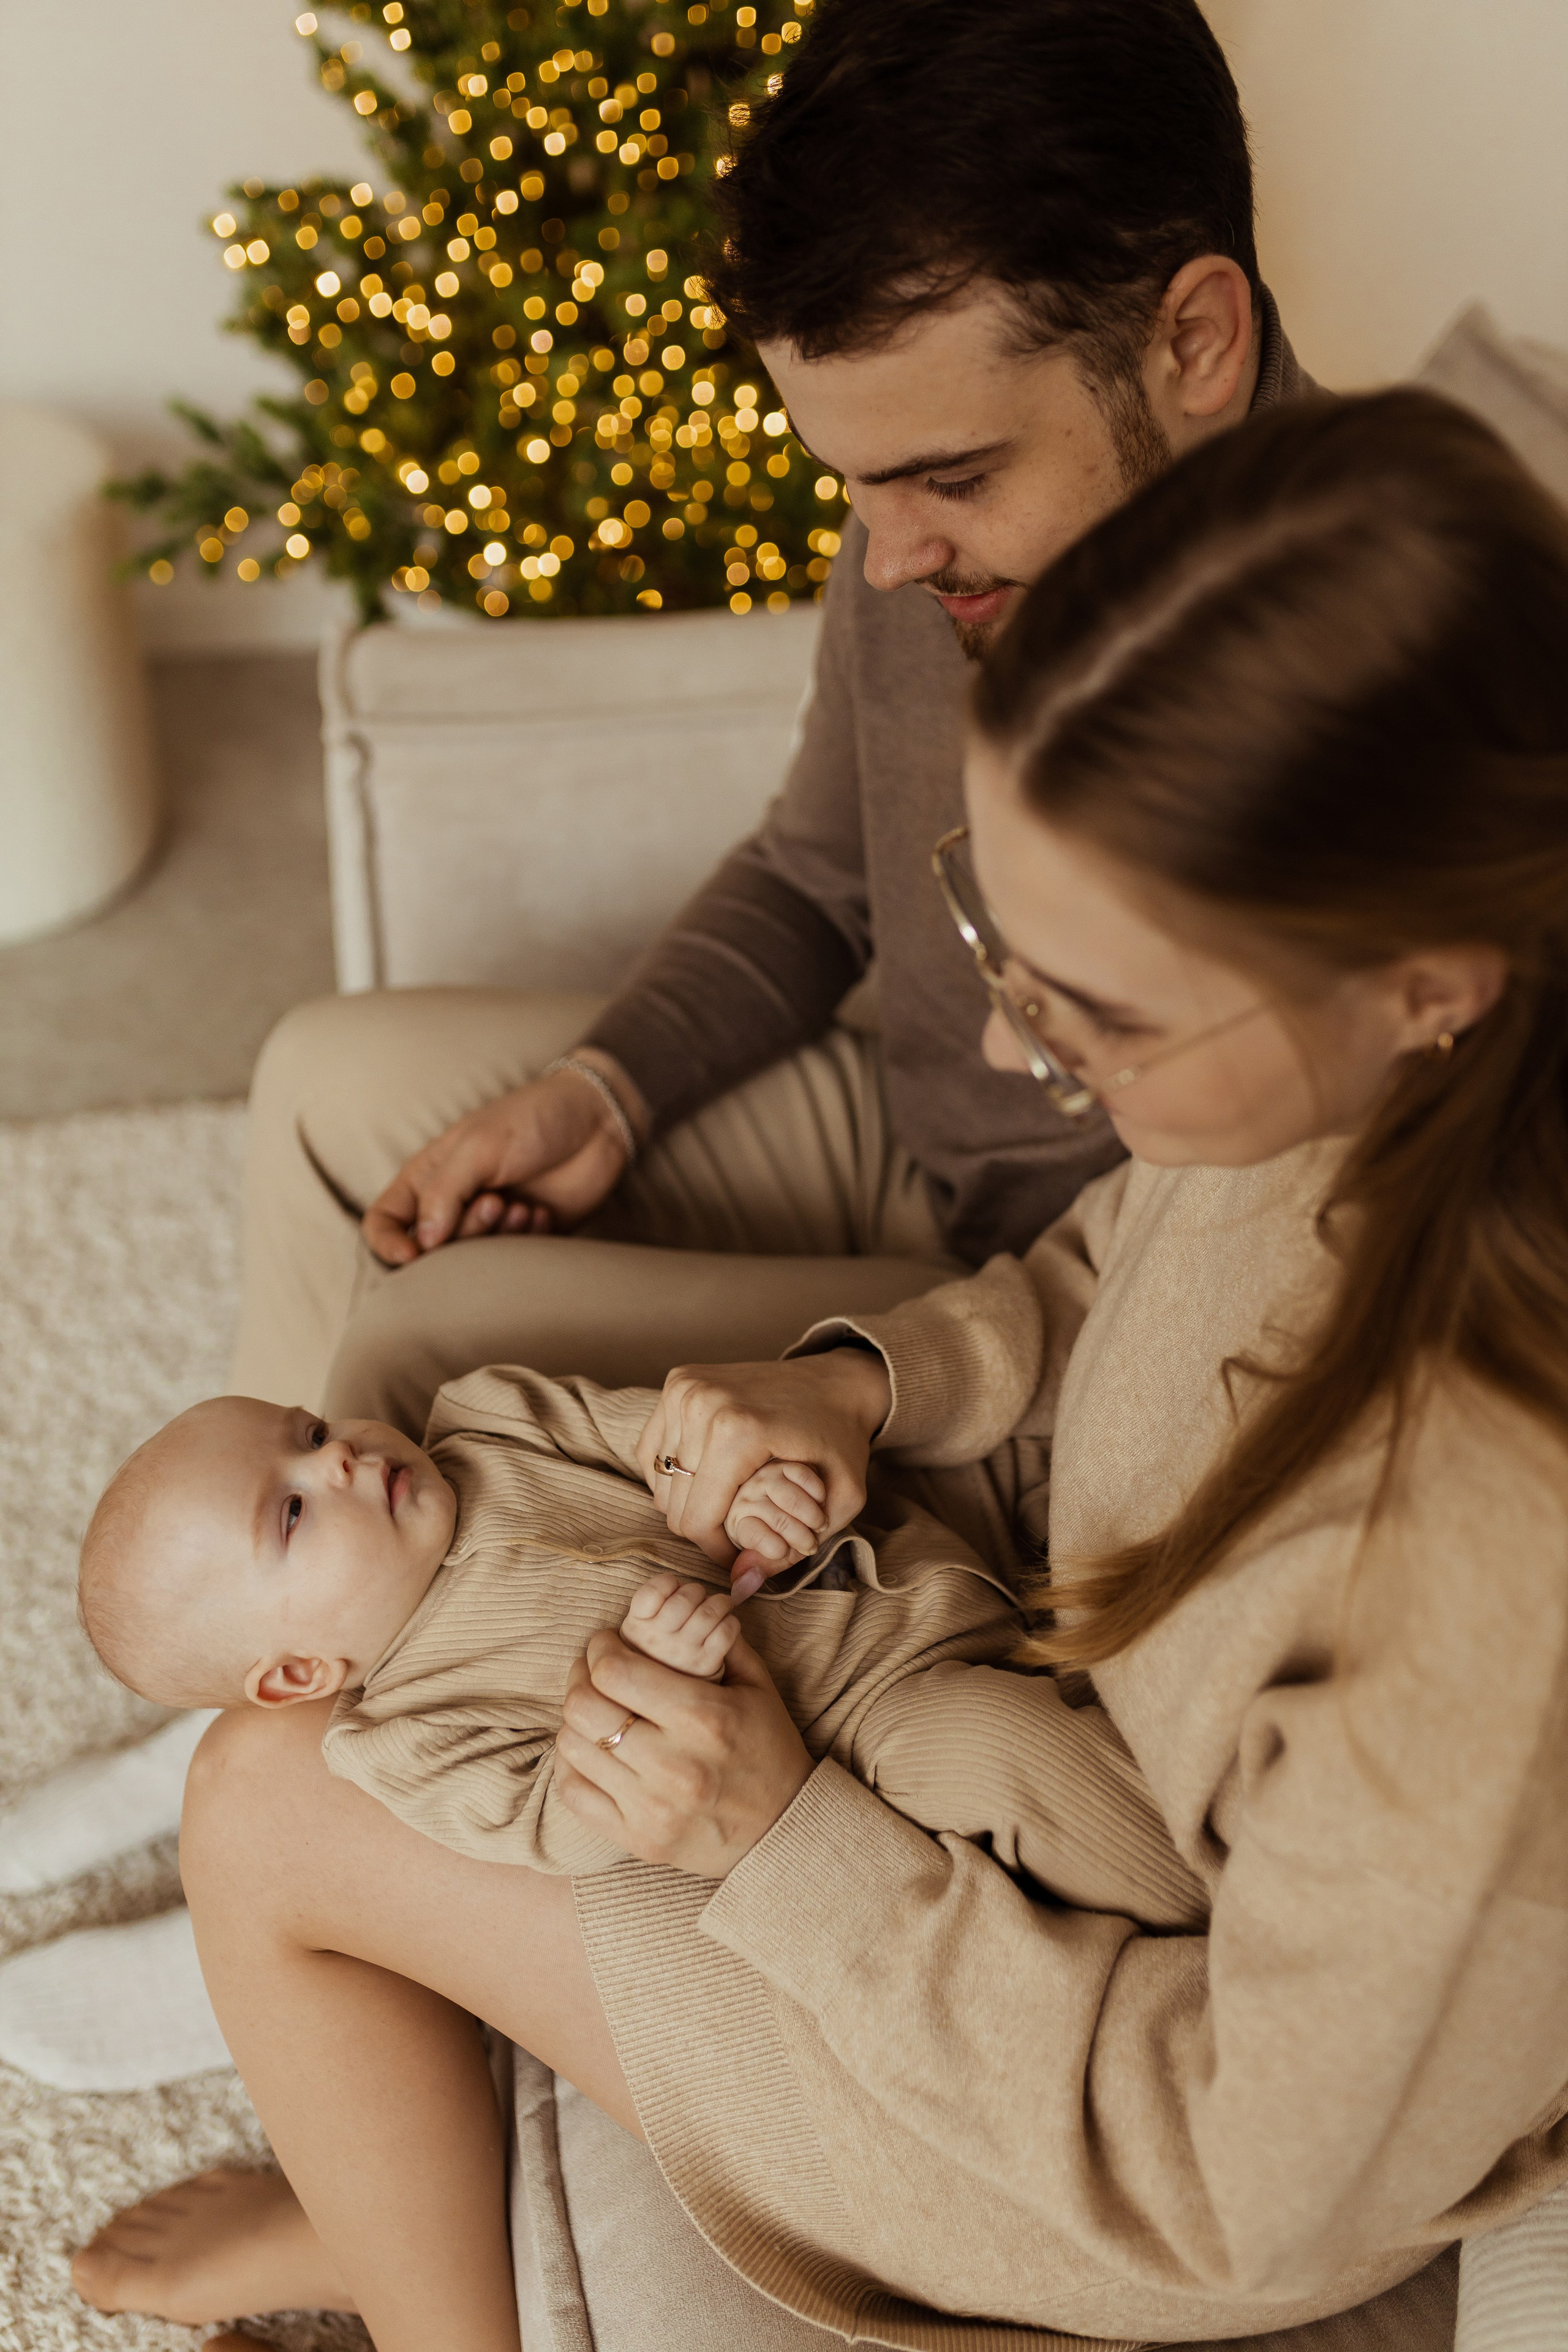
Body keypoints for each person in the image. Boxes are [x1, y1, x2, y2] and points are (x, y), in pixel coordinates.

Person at [73, 388, 1568, 2349]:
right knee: (438, 1360)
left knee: (271, 1803)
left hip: (1083, 2108)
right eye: (1001, 948)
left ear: (1423, 986)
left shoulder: (1478, 1609)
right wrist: (873, 1385)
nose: (1031, 1062)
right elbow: (1127, 1262)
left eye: (1097, 1010)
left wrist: (780, 1841)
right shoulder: (1381, 1078)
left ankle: (418, 2280)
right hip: (1004, 1699)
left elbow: (1229, 2183)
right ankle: (386, 2158)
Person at [232, 0, 1306, 1440]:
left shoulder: (1369, 675)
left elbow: (1254, 1265)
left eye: (951, 476)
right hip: (910, 1144)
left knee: (427, 1343)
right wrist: (603, 1093)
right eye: (848, 486)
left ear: (1194, 341)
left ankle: (325, 1647)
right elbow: (818, 874)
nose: (883, 560)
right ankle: (257, 1613)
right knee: (324, 1088)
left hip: (1076, 1294)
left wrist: (883, 1377)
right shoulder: (931, 549)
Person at [77, 1370, 1196, 1916]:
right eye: (293, 1513)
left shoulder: (486, 1419)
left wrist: (750, 1498)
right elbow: (563, 1820)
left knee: (1079, 1526)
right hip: (864, 1726)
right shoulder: (402, 1741)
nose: (337, 1463)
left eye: (309, 1434)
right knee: (1012, 1759)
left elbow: (673, 1451)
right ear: (299, 1674)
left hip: (891, 1562)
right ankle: (1204, 1887)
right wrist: (658, 1680)